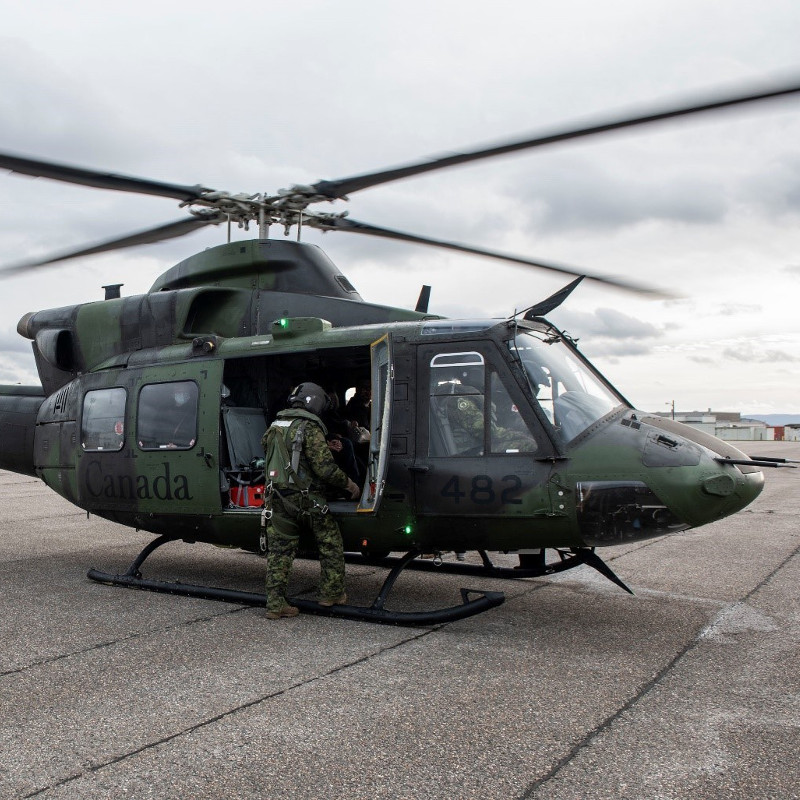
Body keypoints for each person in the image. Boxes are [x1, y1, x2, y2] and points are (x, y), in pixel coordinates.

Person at [261, 382, 360, 620]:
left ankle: (275, 604)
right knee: (330, 543)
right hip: (307, 499)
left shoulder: (276, 424)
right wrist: (350, 485)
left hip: (277, 496)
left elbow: (271, 450)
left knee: (279, 552)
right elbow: (325, 469)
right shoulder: (311, 426)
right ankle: (332, 593)